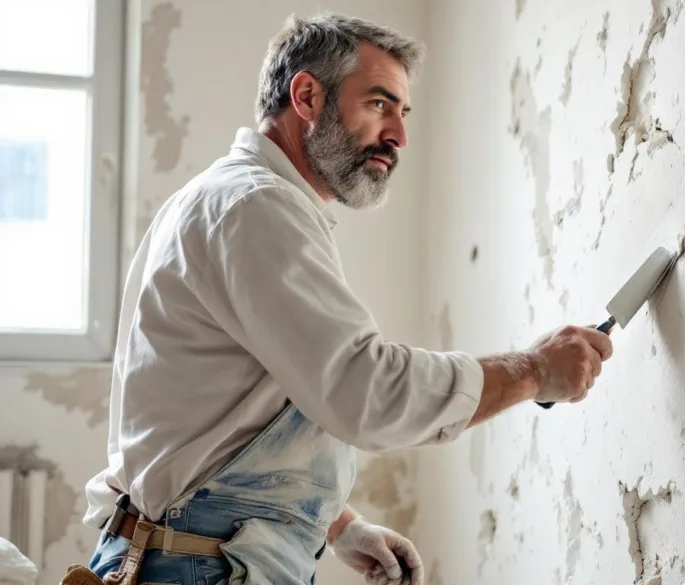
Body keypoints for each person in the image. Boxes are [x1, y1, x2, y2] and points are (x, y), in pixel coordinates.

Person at [78, 12, 612, 585]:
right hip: (195, 566)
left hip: (191, 556)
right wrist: (533, 371)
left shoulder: (224, 199)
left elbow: (233, 408)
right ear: (306, 95)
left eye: (403, 113)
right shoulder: (255, 209)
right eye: (379, 104)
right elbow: (367, 391)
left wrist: (335, 522)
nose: (400, 136)